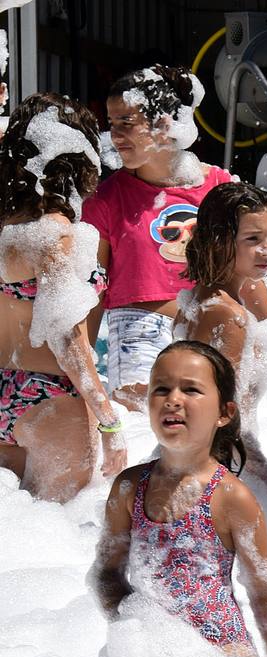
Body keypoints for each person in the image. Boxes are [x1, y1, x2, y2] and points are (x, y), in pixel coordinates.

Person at [89, 341, 267, 657]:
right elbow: (106, 573)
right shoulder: (129, 487)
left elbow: (264, 592)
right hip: (150, 656)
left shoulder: (231, 498)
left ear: (224, 412)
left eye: (191, 389)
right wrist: (134, 629)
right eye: (161, 389)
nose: (173, 399)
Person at [0, 93, 125, 501]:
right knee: (60, 537)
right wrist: (109, 421)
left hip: (5, 382)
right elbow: (66, 338)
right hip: (50, 394)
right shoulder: (55, 232)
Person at [85, 66, 232, 410]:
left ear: (165, 125)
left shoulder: (218, 187)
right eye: (112, 123)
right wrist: (84, 374)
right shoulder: (106, 200)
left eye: (126, 122)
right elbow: (91, 293)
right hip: (138, 332)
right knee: (154, 424)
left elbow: (242, 275)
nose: (116, 135)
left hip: (206, 323)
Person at [174, 182, 267, 522]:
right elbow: (211, 415)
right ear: (220, 241)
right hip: (222, 459)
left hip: (231, 450)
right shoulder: (227, 315)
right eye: (252, 239)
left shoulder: (212, 296)